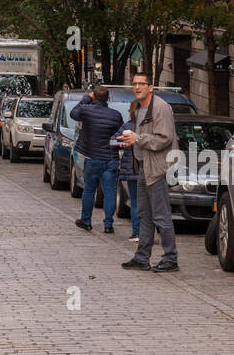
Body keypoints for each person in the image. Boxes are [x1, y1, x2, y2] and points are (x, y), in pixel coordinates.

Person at [119, 73, 179, 272]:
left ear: (150, 87)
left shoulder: (161, 107)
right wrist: (129, 140)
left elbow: (164, 138)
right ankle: (142, 257)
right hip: (143, 167)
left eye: (141, 84)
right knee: (144, 214)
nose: (137, 87)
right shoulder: (138, 108)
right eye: (134, 84)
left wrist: (138, 139)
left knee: (161, 216)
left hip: (158, 168)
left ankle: (171, 259)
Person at [70, 86, 124, 234]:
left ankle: (86, 221)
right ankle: (108, 224)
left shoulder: (86, 111)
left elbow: (73, 113)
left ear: (94, 96)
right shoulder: (116, 115)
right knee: (110, 192)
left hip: (93, 157)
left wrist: (87, 98)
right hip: (110, 158)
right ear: (108, 98)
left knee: (89, 190)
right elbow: (120, 135)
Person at [118, 101, 141, 242]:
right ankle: (146, 231)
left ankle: (137, 232)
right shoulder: (150, 127)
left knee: (135, 202)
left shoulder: (127, 126)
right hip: (147, 170)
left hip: (132, 169)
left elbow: (114, 140)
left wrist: (120, 142)